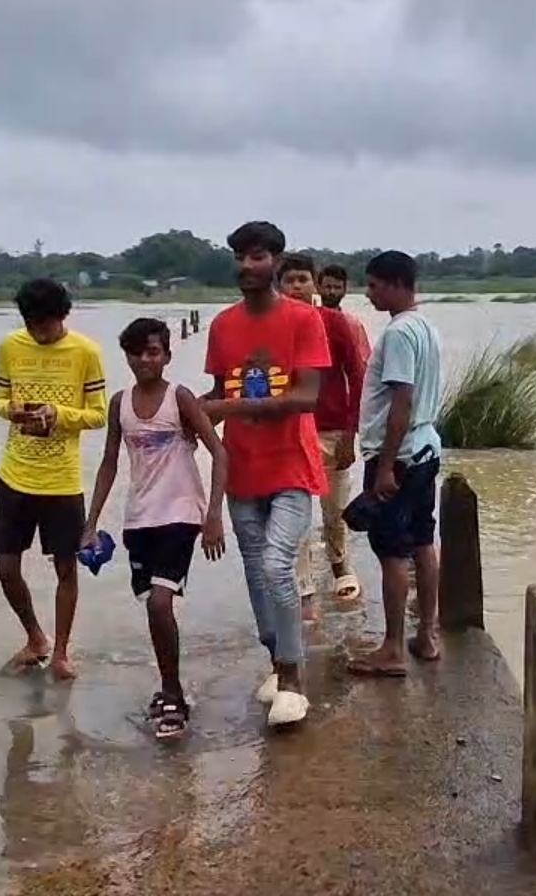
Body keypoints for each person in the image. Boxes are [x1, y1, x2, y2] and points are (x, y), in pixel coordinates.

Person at [203, 220, 331, 728]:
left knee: (279, 565)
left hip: (292, 464)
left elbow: (307, 396)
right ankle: (276, 663)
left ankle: (294, 678)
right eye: (239, 256)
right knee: (256, 571)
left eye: (257, 257)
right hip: (242, 467)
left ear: (277, 261)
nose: (245, 266)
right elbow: (215, 397)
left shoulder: (303, 320)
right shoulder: (222, 326)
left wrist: (229, 405)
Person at [83, 317, 229, 740]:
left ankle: (171, 692)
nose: (145, 360)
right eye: (136, 352)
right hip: (139, 519)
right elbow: (110, 463)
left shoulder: (179, 398)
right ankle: (171, 686)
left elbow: (219, 452)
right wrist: (90, 523)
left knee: (160, 603)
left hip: (181, 514)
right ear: (126, 355)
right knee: (153, 604)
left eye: (153, 352)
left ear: (166, 355)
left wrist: (213, 515)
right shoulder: (119, 403)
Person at [0, 278, 108, 681]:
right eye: (32, 324)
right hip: (14, 474)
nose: (38, 332)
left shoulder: (86, 352)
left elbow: (98, 414)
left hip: (61, 481)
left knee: (65, 570)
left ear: (62, 316)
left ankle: (60, 653)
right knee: (6, 568)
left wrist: (59, 414)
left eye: (46, 324)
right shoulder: (10, 346)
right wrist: (15, 411)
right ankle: (34, 637)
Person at [348, 250, 445, 677]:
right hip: (426, 449)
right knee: (423, 541)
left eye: (373, 285)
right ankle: (425, 636)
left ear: (396, 284)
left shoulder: (399, 334)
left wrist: (385, 467)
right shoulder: (425, 328)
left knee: (391, 550)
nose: (368, 294)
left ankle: (392, 649)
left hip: (401, 455)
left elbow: (400, 403)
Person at [277, 253, 369, 618]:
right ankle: (304, 588)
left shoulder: (335, 323)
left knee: (335, 510)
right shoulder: (271, 327)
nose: (297, 287)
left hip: (331, 429)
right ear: (278, 285)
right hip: (287, 432)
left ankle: (339, 565)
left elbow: (358, 377)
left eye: (303, 279)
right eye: (289, 280)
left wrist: (351, 433)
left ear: (314, 283)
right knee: (294, 513)